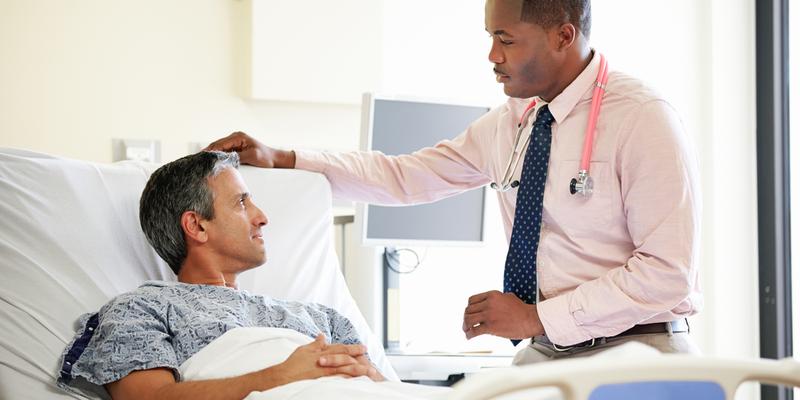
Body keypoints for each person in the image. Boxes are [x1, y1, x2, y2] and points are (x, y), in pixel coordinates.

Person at [207, 0, 702, 363]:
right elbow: (404, 177)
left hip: (642, 345)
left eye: (506, 39)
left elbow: (666, 272)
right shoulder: (513, 123)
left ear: (564, 36)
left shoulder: (640, 117)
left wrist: (534, 317)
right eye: (490, 37)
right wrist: (284, 158)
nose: (492, 55)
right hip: (549, 352)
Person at [57, 151, 383, 400]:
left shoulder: (321, 316)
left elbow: (383, 387)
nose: (262, 217)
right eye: (242, 203)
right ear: (197, 226)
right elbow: (150, 398)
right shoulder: (140, 309)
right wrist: (281, 376)